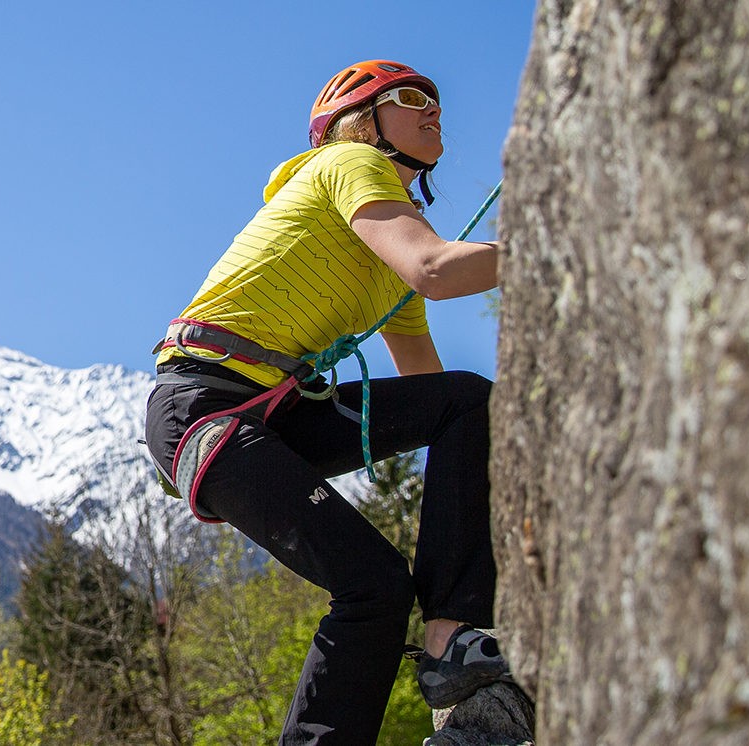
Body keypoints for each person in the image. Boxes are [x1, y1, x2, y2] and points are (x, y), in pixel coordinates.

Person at [145, 60, 509, 744]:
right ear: (360, 123)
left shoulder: (389, 239)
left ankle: (453, 638)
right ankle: (442, 649)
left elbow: (433, 397)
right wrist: (556, 246)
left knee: (465, 402)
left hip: (263, 411)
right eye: (408, 98)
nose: (432, 109)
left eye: (435, 100)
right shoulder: (351, 163)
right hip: (209, 404)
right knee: (371, 582)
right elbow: (433, 270)